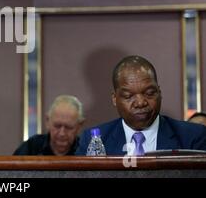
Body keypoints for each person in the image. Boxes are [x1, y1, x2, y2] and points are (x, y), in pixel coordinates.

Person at [76, 55, 206, 156]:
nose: (140, 103)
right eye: (128, 96)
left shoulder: (192, 137)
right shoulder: (93, 140)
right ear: (115, 99)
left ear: (159, 93)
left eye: (150, 93)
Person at [14, 95, 85, 155]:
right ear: (47, 121)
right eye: (57, 126)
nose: (62, 133)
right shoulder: (32, 147)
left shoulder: (86, 151)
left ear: (79, 126)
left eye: (69, 127)